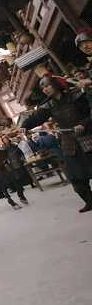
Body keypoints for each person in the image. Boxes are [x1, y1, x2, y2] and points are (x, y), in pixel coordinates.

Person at [21, 76, 92, 213]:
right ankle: (90, 201)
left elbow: (89, 113)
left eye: (47, 85)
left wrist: (83, 124)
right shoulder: (48, 105)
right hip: (69, 143)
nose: (45, 89)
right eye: (43, 88)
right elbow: (37, 118)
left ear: (55, 85)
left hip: (87, 137)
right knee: (75, 177)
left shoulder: (76, 96)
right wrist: (25, 125)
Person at [0, 135, 29, 204]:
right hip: (11, 168)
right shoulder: (3, 149)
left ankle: (21, 194)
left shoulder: (14, 146)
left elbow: (21, 153)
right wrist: (5, 163)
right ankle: (21, 196)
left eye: (6, 139)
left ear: (8, 139)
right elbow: (2, 159)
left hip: (19, 165)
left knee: (21, 180)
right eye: (3, 139)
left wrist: (22, 158)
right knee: (17, 182)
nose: (5, 140)